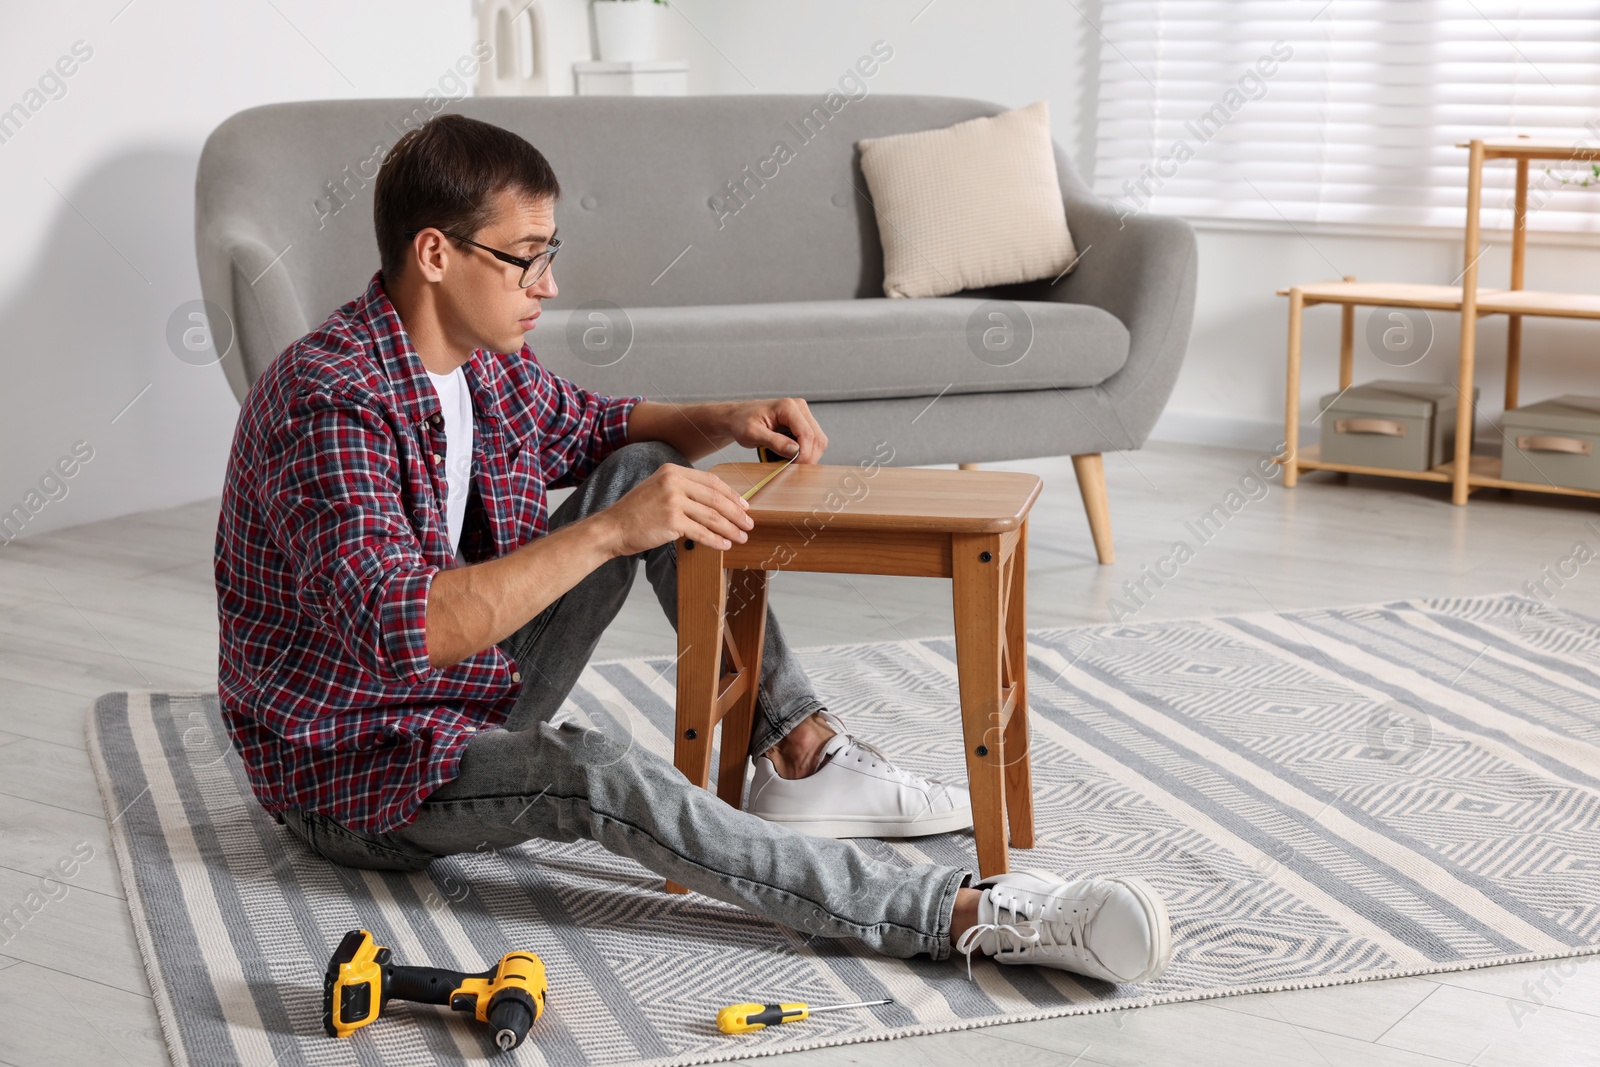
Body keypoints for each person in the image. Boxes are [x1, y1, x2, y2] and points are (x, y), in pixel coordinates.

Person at [214, 113, 1172, 983]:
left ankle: (801, 750)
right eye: (527, 258)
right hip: (360, 769)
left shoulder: (483, 362)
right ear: (434, 252)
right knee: (593, 767)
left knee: (645, 469)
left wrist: (721, 415)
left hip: (459, 700)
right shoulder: (329, 401)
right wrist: (606, 533)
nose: (550, 284)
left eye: (554, 252)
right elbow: (403, 631)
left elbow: (593, 429)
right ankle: (956, 913)